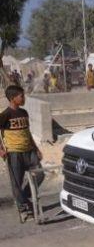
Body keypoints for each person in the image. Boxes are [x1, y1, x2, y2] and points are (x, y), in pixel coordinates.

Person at [0, 85, 44, 216]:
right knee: (16, 182)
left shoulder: (24, 113)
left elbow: (28, 133)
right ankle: (22, 207)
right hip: (14, 152)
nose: (23, 98)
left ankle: (23, 197)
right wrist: (1, 149)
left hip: (29, 151)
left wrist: (37, 149)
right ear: (13, 98)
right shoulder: (5, 115)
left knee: (40, 175)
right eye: (21, 96)